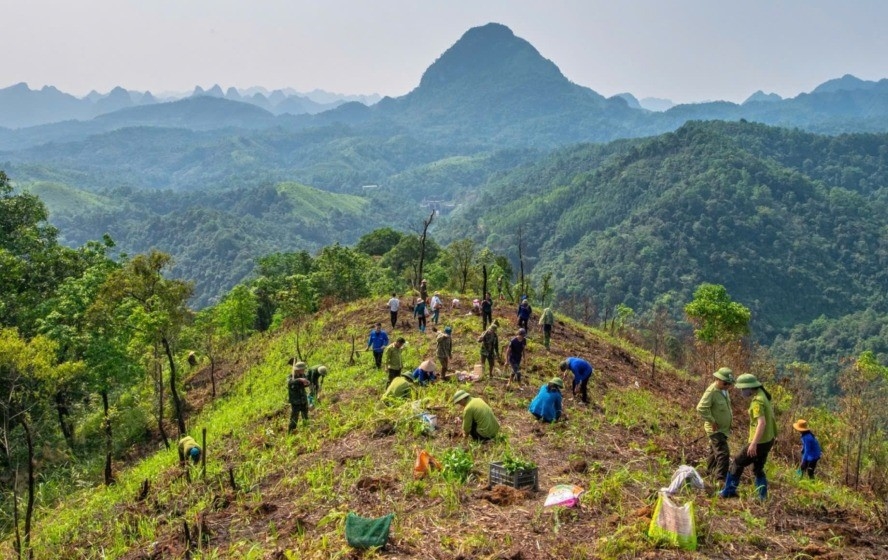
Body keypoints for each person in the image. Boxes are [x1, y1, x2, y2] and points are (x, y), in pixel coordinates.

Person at [719, 373, 777, 500]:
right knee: (758, 469)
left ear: (750, 388)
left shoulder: (757, 402)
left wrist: (753, 443)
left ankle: (729, 491)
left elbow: (762, 423)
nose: (741, 391)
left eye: (742, 389)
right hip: (768, 440)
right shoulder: (763, 395)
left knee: (737, 462)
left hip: (760, 442)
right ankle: (762, 497)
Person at [696, 367, 734, 482]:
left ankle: (709, 473)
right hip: (716, 430)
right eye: (725, 383)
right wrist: (711, 421)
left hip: (723, 429)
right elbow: (701, 408)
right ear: (717, 379)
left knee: (714, 452)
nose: (727, 385)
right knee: (723, 454)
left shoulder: (724, 390)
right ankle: (720, 481)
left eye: (729, 383)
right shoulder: (711, 392)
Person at [288, 361, 311, 431]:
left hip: (303, 399)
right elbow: (290, 382)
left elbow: (306, 384)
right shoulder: (291, 377)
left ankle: (306, 430)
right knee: (294, 418)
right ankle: (291, 432)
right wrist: (299, 380)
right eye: (302, 369)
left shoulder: (303, 375)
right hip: (296, 401)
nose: (304, 371)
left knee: (305, 416)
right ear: (298, 370)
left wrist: (307, 383)